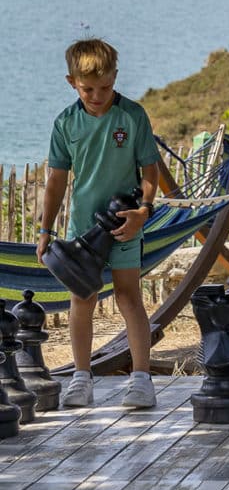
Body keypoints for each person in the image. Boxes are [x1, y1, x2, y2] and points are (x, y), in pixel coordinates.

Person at [36, 38, 161, 409]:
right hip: (80, 230)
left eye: (105, 87)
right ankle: (81, 377)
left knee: (128, 296)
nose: (97, 95)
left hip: (125, 223)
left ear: (115, 78)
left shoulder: (133, 116)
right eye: (88, 88)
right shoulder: (65, 123)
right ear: (71, 81)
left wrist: (145, 210)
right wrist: (45, 230)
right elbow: (56, 181)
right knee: (82, 298)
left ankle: (141, 379)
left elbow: (150, 171)